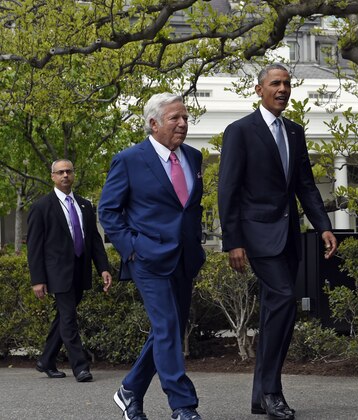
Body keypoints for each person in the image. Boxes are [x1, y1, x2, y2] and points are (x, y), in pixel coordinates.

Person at [218, 63, 338, 420]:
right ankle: (272, 392)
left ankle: (260, 396)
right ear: (259, 90)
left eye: (287, 83)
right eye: (275, 83)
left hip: (288, 237)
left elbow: (304, 185)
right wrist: (232, 241)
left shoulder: (295, 131)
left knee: (276, 312)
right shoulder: (239, 131)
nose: (283, 89)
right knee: (286, 300)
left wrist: (324, 225)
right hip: (256, 236)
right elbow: (228, 190)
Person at [98, 93, 206, 420]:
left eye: (185, 118)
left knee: (166, 330)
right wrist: (132, 249)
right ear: (154, 123)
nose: (183, 124)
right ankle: (183, 405)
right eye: (175, 118)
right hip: (147, 259)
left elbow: (191, 208)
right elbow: (108, 211)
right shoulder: (129, 160)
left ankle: (130, 390)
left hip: (184, 258)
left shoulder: (194, 156)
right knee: (168, 326)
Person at [27, 159, 112, 383]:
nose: (65, 175)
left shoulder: (84, 205)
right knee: (69, 319)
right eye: (60, 172)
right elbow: (34, 247)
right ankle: (81, 367)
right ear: (53, 176)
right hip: (57, 273)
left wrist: (103, 268)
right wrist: (38, 280)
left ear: (73, 175)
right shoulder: (41, 207)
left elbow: (94, 240)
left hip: (79, 271)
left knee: (63, 318)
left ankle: (46, 360)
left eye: (69, 171)